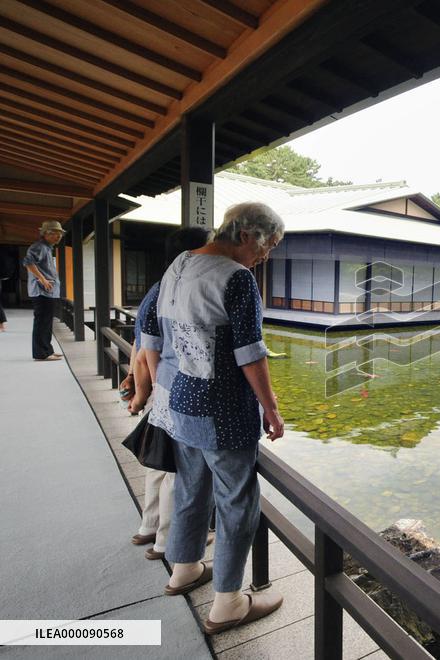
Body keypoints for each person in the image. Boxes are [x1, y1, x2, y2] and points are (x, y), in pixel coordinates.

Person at [141, 203, 285, 634]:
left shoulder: (180, 264)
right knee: (238, 501)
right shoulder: (236, 277)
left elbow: (160, 333)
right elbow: (250, 353)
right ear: (247, 235)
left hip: (180, 399)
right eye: (268, 245)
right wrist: (271, 408)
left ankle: (184, 569)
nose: (266, 255)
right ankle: (228, 603)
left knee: (190, 487)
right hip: (222, 406)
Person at [123, 227, 213, 561]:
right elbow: (147, 352)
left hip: (162, 390)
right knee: (177, 470)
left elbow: (139, 346)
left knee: (159, 464)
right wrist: (146, 390)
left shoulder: (160, 287)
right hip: (174, 391)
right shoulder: (174, 290)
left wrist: (142, 388)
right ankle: (166, 540)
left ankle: (149, 526)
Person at [23, 220, 65, 360]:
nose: (58, 236)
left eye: (59, 233)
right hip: (41, 291)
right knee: (42, 322)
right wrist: (42, 279)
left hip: (48, 291)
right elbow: (28, 262)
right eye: (54, 233)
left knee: (46, 322)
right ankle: (41, 353)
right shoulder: (39, 246)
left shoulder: (47, 248)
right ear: (45, 234)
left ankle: (47, 350)